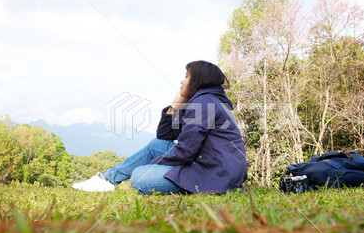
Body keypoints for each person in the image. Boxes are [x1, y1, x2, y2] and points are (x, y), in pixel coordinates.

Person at [72, 60, 247, 195]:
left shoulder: (204, 103)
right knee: (157, 145)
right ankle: (107, 180)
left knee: (139, 176)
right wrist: (176, 103)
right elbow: (164, 135)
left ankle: (108, 180)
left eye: (186, 76)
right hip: (212, 167)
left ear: (198, 80)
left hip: (215, 175)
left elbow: (186, 151)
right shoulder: (204, 101)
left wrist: (153, 165)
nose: (182, 80)